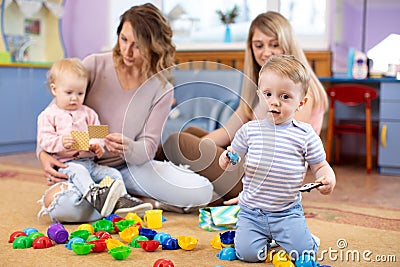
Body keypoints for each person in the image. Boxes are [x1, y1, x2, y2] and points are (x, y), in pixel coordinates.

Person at [38, 3, 213, 222]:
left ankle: (123, 199)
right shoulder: (94, 65)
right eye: (123, 39)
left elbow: (148, 148)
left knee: (201, 191)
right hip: (83, 165)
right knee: (60, 206)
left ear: (154, 46)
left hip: (130, 169)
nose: (127, 51)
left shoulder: (161, 89)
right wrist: (43, 154)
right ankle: (128, 202)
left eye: (137, 46)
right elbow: (56, 111)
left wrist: (129, 147)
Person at [159, 11, 329, 204]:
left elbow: (282, 150)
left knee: (178, 140)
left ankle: (150, 171)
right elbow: (226, 132)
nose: (266, 52)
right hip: (244, 166)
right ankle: (169, 175)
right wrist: (194, 151)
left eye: (274, 44)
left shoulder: (300, 91)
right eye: (259, 45)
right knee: (189, 134)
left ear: (288, 43)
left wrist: (191, 152)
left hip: (262, 183)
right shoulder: (260, 89)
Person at [218, 55, 336, 262]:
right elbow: (233, 157)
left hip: (287, 212)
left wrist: (327, 178)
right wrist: (226, 159)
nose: (274, 101)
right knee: (248, 254)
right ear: (259, 96)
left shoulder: (305, 134)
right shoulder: (249, 131)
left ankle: (306, 240)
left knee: (304, 254)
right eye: (268, 94)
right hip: (251, 212)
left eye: (285, 97)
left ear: (301, 102)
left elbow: (320, 165)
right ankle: (266, 238)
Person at [37, 58, 134, 218]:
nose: (74, 98)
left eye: (80, 93)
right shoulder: (47, 116)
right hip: (67, 165)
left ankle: (123, 201)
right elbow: (45, 140)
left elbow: (99, 137)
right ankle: (95, 197)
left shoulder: (89, 113)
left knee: (113, 173)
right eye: (69, 93)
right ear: (55, 90)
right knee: (79, 171)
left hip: (90, 163)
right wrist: (60, 142)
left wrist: (97, 145)